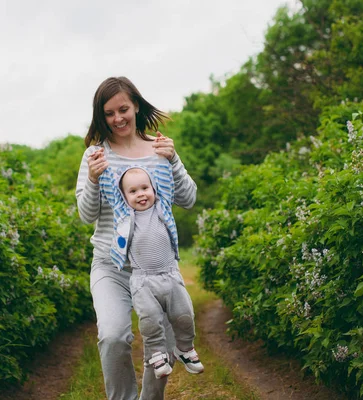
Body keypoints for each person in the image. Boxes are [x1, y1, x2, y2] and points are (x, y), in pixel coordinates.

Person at [76, 76, 197, 400]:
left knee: (166, 347)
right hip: (111, 266)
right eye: (109, 113)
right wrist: (92, 179)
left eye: (123, 109)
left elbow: (188, 199)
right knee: (114, 336)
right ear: (101, 117)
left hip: (159, 267)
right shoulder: (95, 156)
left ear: (136, 106)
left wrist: (174, 160)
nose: (118, 119)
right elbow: (87, 216)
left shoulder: (159, 151)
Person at [98, 165, 204, 379]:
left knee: (184, 315)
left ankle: (184, 348)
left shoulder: (162, 206)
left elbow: (165, 178)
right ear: (124, 196)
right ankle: (157, 354)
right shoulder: (125, 214)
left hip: (170, 275)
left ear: (154, 188)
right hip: (142, 281)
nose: (141, 194)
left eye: (145, 188)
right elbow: (110, 188)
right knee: (150, 319)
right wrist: (101, 165)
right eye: (133, 191)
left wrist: (168, 157)